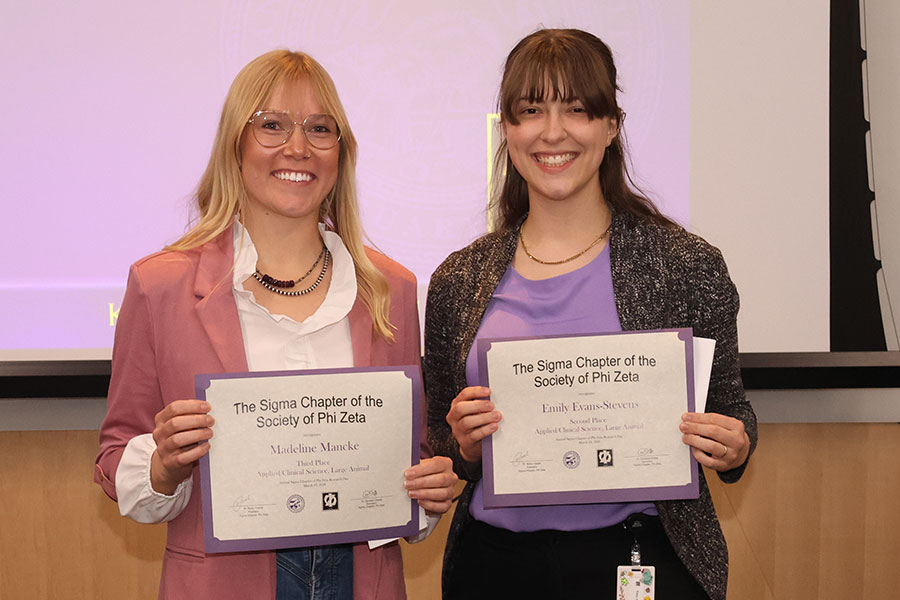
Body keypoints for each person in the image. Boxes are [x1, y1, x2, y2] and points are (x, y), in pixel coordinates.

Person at [94, 49, 456, 600]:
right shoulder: (159, 285)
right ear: (235, 145)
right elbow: (116, 457)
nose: (298, 148)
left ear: (341, 153)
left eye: (319, 128)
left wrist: (426, 488)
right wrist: (164, 465)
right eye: (271, 126)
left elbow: (409, 459)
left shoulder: (392, 289)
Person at [423, 29, 757, 600]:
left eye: (576, 109)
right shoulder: (458, 280)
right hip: (496, 567)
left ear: (610, 127)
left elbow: (731, 412)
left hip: (639, 560)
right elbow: (443, 445)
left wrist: (735, 444)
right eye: (531, 111)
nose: (553, 132)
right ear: (507, 130)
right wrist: (463, 446)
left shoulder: (684, 264)